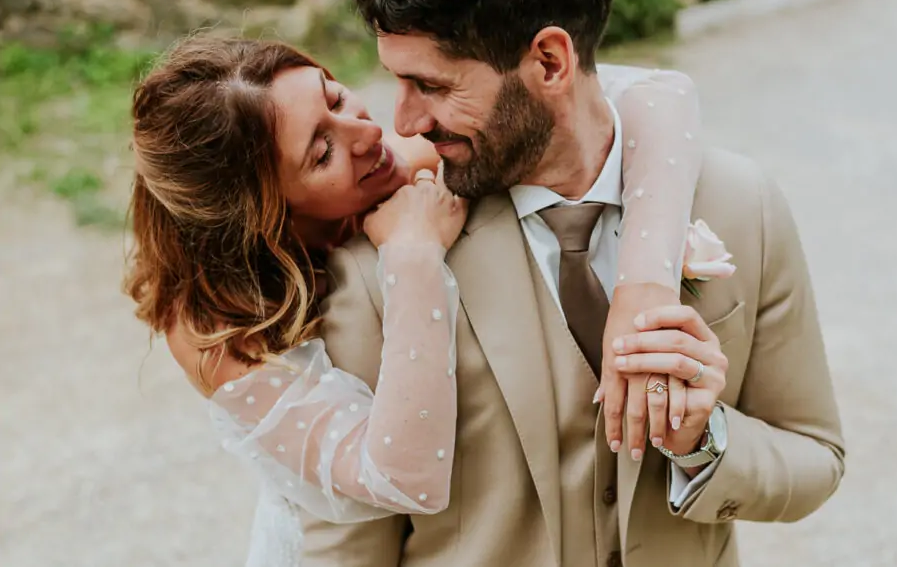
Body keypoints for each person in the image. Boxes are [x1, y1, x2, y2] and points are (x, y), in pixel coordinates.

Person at [299, 0, 845, 567]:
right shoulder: (382, 256)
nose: (403, 122)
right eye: (398, 83)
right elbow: (346, 542)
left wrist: (704, 439)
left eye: (432, 86)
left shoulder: (742, 203)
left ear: (550, 61)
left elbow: (816, 455)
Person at [124, 38, 701, 555]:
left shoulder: (389, 166)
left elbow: (659, 94)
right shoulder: (216, 332)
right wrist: (411, 257)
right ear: (262, 212)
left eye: (336, 97)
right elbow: (405, 478)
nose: (369, 132)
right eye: (322, 152)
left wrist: (643, 285)